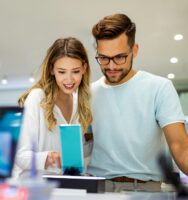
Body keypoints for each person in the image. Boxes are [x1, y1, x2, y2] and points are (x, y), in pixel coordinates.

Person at [87, 13, 188, 192]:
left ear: (134, 50)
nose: (111, 66)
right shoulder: (88, 94)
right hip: (98, 188)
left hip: (146, 190)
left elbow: (180, 146)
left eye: (119, 57)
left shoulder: (159, 87)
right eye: (103, 58)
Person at [12, 37, 93, 178]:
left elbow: (77, 153)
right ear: (51, 69)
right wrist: (50, 157)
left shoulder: (79, 103)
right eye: (62, 72)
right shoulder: (37, 98)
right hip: (36, 188)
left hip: (65, 188)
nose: (69, 79)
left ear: (84, 69)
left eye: (75, 71)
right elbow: (20, 156)